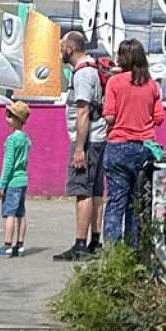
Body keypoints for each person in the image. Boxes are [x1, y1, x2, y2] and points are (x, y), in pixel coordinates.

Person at [99, 37, 166, 252]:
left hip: (118, 146)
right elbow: (159, 119)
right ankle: (134, 251)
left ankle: (112, 253)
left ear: (122, 58)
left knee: (116, 202)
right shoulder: (152, 85)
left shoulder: (114, 83)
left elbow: (109, 116)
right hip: (144, 148)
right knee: (137, 204)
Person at [53, 28, 107, 262]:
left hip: (87, 141)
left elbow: (83, 111)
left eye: (61, 47)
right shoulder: (91, 68)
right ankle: (95, 241)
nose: (60, 52)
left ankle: (80, 244)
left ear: (69, 48)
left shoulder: (83, 74)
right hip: (97, 138)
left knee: (82, 190)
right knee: (95, 191)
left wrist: (78, 149)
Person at [0, 100, 31, 255]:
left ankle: (7, 246)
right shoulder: (25, 139)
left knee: (9, 213)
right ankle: (20, 245)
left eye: (9, 115)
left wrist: (2, 184)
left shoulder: (11, 140)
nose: (6, 118)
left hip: (12, 182)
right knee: (20, 214)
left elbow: (8, 163)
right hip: (23, 180)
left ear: (18, 119)